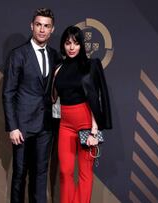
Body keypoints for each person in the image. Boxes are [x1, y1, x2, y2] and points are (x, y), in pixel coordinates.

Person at [2, 8, 60, 203]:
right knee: (20, 174)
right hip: (23, 127)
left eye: (46, 26)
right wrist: (13, 127)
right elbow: (8, 92)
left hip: (46, 127)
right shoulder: (18, 55)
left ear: (52, 29)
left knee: (41, 174)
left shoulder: (55, 56)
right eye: (38, 25)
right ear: (31, 26)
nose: (42, 30)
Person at [52, 25, 112, 203]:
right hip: (65, 125)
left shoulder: (92, 65)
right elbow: (54, 98)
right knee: (65, 172)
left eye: (76, 43)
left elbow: (97, 98)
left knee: (85, 173)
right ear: (63, 45)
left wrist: (95, 131)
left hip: (86, 123)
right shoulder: (58, 68)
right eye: (68, 43)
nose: (71, 47)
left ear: (82, 46)